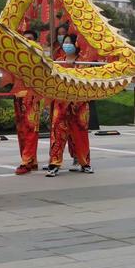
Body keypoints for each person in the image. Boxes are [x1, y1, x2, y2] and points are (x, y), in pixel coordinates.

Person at [46, 33, 94, 177]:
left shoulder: (83, 63)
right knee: (57, 133)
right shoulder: (58, 62)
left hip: (79, 104)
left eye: (69, 42)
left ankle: (85, 163)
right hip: (61, 103)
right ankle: (54, 164)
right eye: (65, 42)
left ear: (76, 45)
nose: (66, 45)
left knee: (81, 133)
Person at [14, 30, 42, 175]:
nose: (26, 41)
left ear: (36, 41)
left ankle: (26, 162)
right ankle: (31, 160)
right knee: (21, 131)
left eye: (30, 39)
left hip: (32, 96)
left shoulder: (38, 55)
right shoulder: (16, 55)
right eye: (24, 39)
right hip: (18, 97)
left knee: (31, 129)